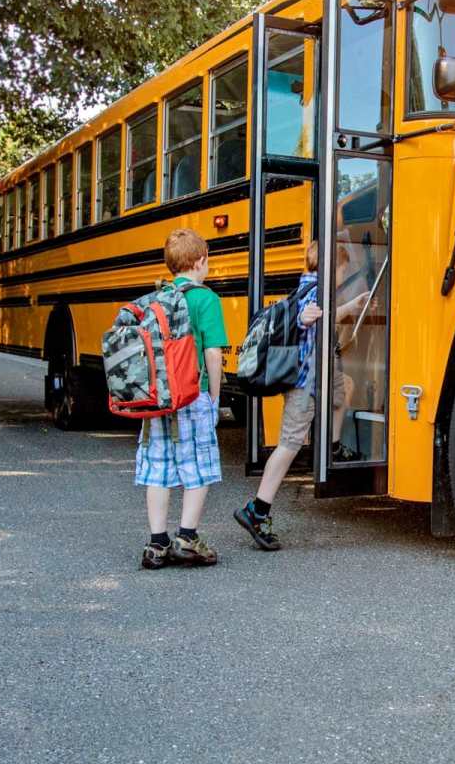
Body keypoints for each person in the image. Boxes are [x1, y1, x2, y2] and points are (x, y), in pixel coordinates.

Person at [234, 240, 360, 551]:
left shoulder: (306, 286)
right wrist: (313, 317)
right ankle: (257, 510)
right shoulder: (315, 292)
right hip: (304, 383)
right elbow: (311, 315)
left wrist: (348, 307)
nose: (344, 273)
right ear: (334, 267)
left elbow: (321, 314)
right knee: (289, 444)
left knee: (342, 392)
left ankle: (331, 445)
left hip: (314, 378)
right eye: (343, 268)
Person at [138, 228, 229, 570]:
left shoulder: (156, 297)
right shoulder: (206, 298)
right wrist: (215, 398)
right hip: (192, 395)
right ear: (200, 261)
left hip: (158, 397)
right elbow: (214, 354)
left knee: (158, 467)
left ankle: (157, 544)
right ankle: (186, 537)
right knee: (199, 467)